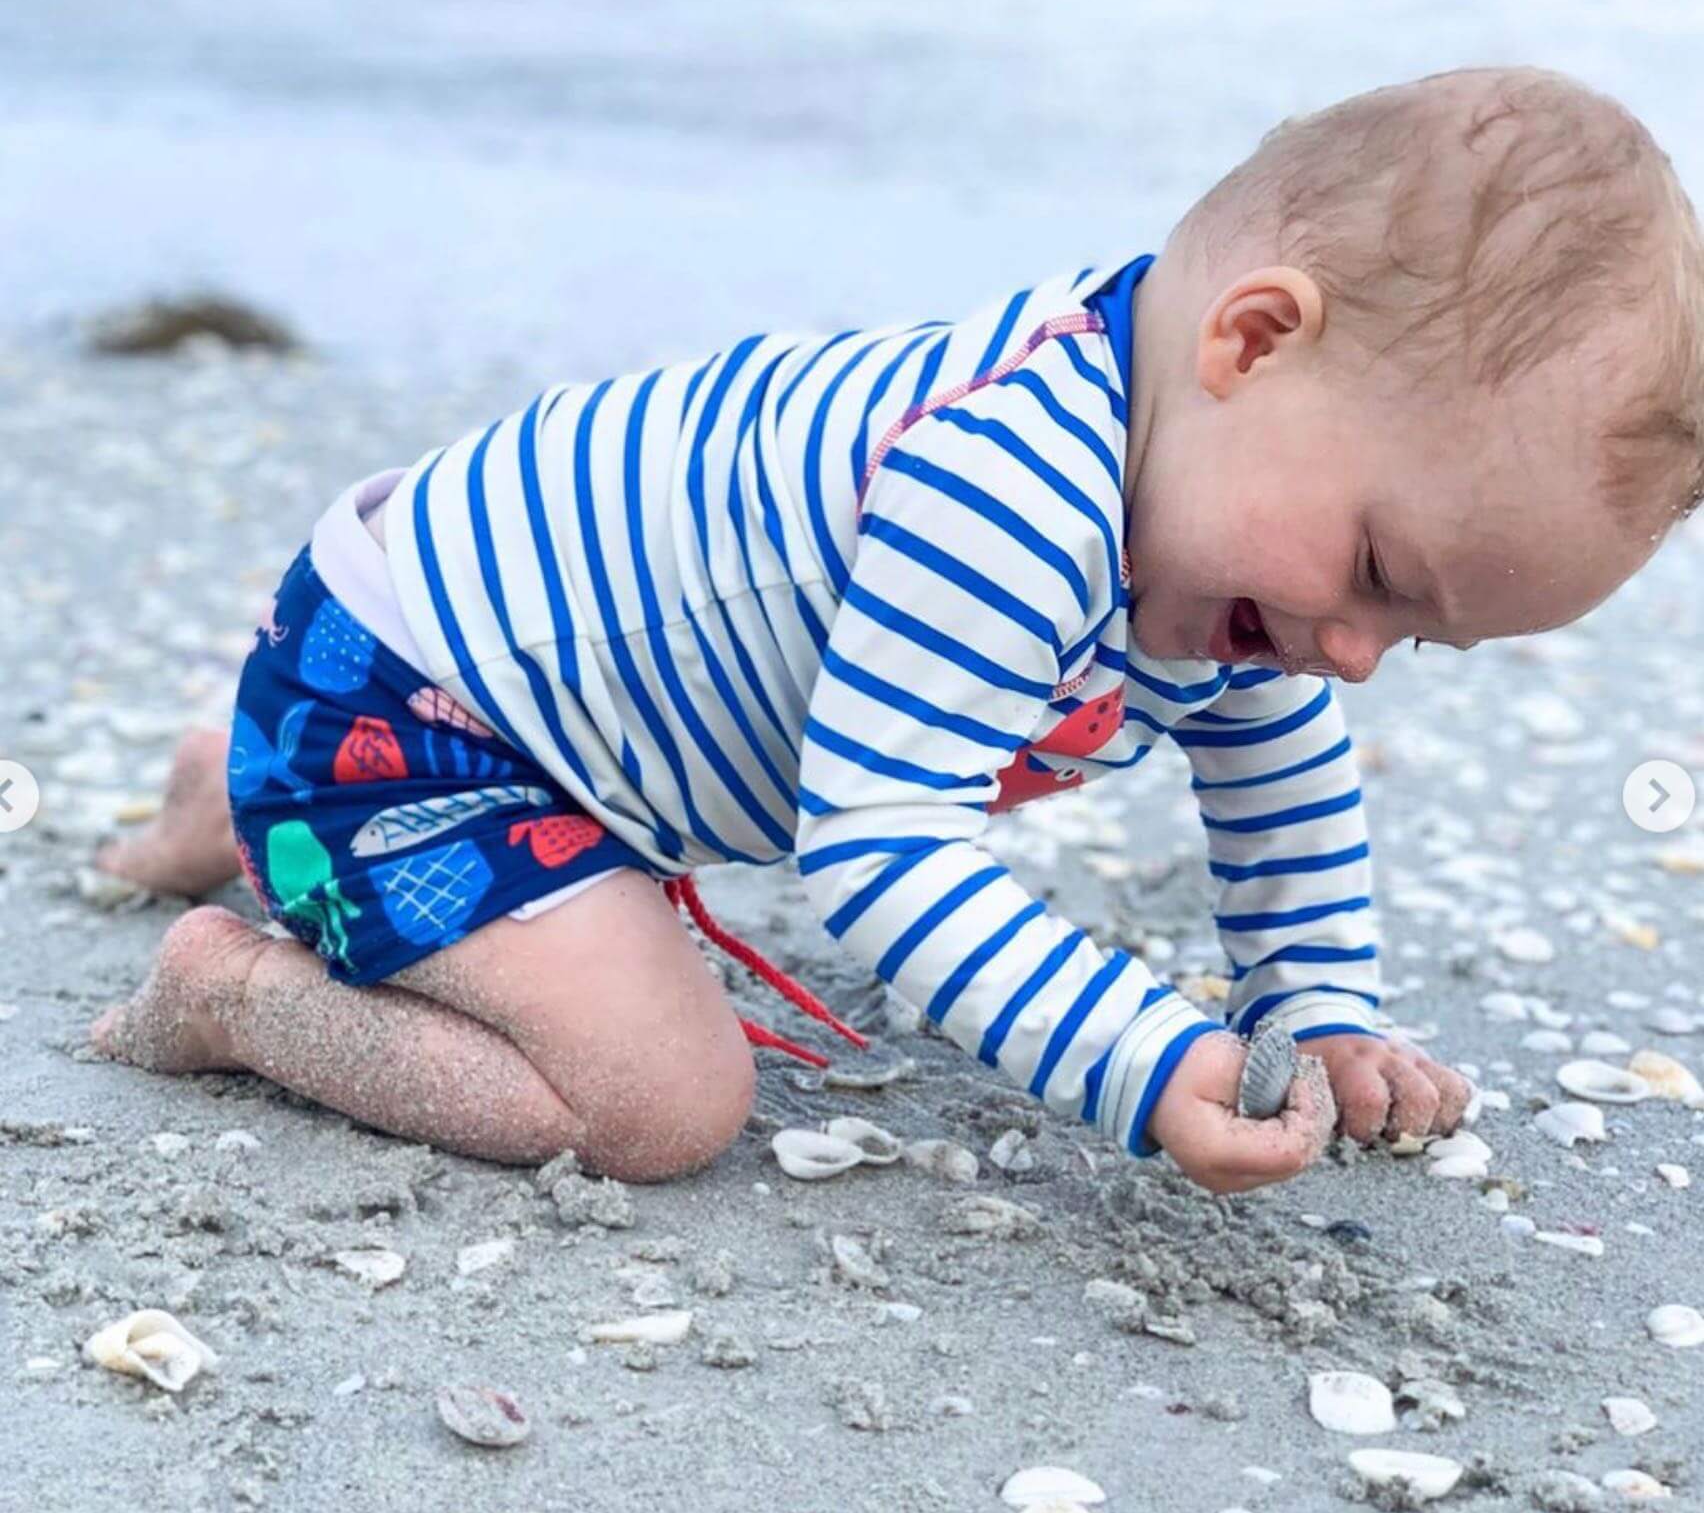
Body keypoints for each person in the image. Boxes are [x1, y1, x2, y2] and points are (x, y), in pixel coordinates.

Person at [91, 66, 1704, 1197]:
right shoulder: (1005, 488)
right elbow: (876, 843)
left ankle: (232, 788)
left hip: (453, 666)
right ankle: (234, 991)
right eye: (1377, 569)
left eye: (1414, 638)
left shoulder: (1202, 491)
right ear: (1256, 339)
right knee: (657, 1098)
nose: (1350, 651)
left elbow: (1276, 768)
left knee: (361, 817)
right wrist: (1143, 1059)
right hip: (428, 722)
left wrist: (1313, 1003)